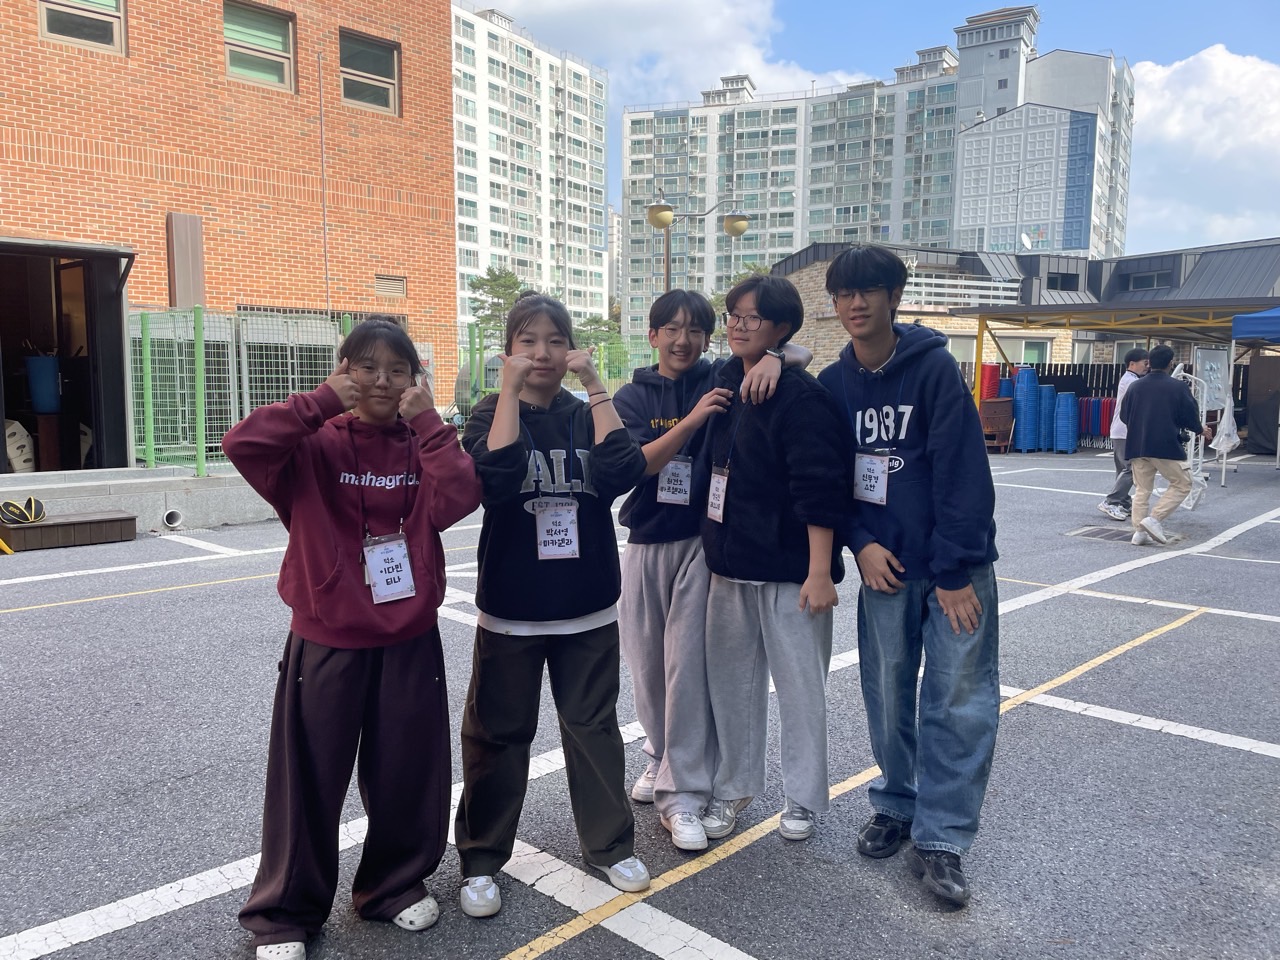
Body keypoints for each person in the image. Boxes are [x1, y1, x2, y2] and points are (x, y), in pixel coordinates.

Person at [224, 317, 482, 960]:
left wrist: (430, 424)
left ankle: (391, 887)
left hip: (409, 636)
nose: (382, 382)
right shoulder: (314, 443)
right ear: (343, 371)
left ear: (415, 379)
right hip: (327, 637)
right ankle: (285, 913)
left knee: (407, 769)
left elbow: (460, 496)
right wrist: (316, 403)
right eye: (366, 367)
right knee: (308, 780)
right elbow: (242, 444)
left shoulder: (422, 443)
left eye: (397, 370)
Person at [454, 292, 650, 919]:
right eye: (528, 341)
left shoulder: (584, 411)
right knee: (496, 734)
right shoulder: (489, 413)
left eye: (556, 341)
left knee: (594, 729)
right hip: (511, 609)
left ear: (571, 348)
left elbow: (624, 470)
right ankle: (482, 859)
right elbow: (495, 478)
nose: (543, 353)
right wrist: (509, 393)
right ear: (508, 350)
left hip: (586, 606)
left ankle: (610, 844)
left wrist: (594, 385)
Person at [817, 245, 999, 908]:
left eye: (868, 290)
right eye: (844, 294)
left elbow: (963, 474)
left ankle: (942, 837)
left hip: (955, 574)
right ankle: (896, 804)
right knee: (888, 694)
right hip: (883, 570)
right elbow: (826, 478)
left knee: (958, 701)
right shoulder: (833, 385)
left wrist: (954, 570)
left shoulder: (934, 370)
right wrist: (859, 543)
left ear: (894, 297)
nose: (855, 303)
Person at [612, 289, 807, 851]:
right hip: (645, 543)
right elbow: (637, 465)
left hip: (701, 544)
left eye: (695, 330)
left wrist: (776, 357)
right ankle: (660, 754)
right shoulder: (631, 396)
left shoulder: (719, 375)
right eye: (671, 329)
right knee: (647, 668)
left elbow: (797, 353)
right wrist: (696, 418)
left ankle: (684, 794)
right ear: (652, 335)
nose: (683, 340)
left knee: (687, 673)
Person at [698, 275, 852, 845]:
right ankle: (733, 788)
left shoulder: (803, 399)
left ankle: (803, 799)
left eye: (753, 318)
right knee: (731, 689)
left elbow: (820, 486)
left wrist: (820, 571)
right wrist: (776, 355)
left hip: (792, 572)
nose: (738, 327)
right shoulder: (725, 379)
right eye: (733, 316)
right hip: (729, 566)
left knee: (801, 690)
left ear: (781, 327)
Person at [1119, 344, 1212, 546]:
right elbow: (1189, 415)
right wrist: (1200, 429)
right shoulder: (1178, 387)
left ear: (1150, 363)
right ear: (1171, 363)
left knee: (1142, 489)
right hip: (1165, 444)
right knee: (1183, 483)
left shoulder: (1135, 386)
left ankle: (1139, 533)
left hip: (1137, 445)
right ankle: (1154, 519)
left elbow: (1124, 416)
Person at [1097, 347, 1150, 520]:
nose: (1147, 367)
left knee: (1122, 469)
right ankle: (1111, 502)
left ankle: (1124, 503)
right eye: (1145, 363)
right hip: (1125, 431)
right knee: (1130, 469)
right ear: (1132, 363)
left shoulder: (1130, 379)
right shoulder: (1131, 381)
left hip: (1120, 430)